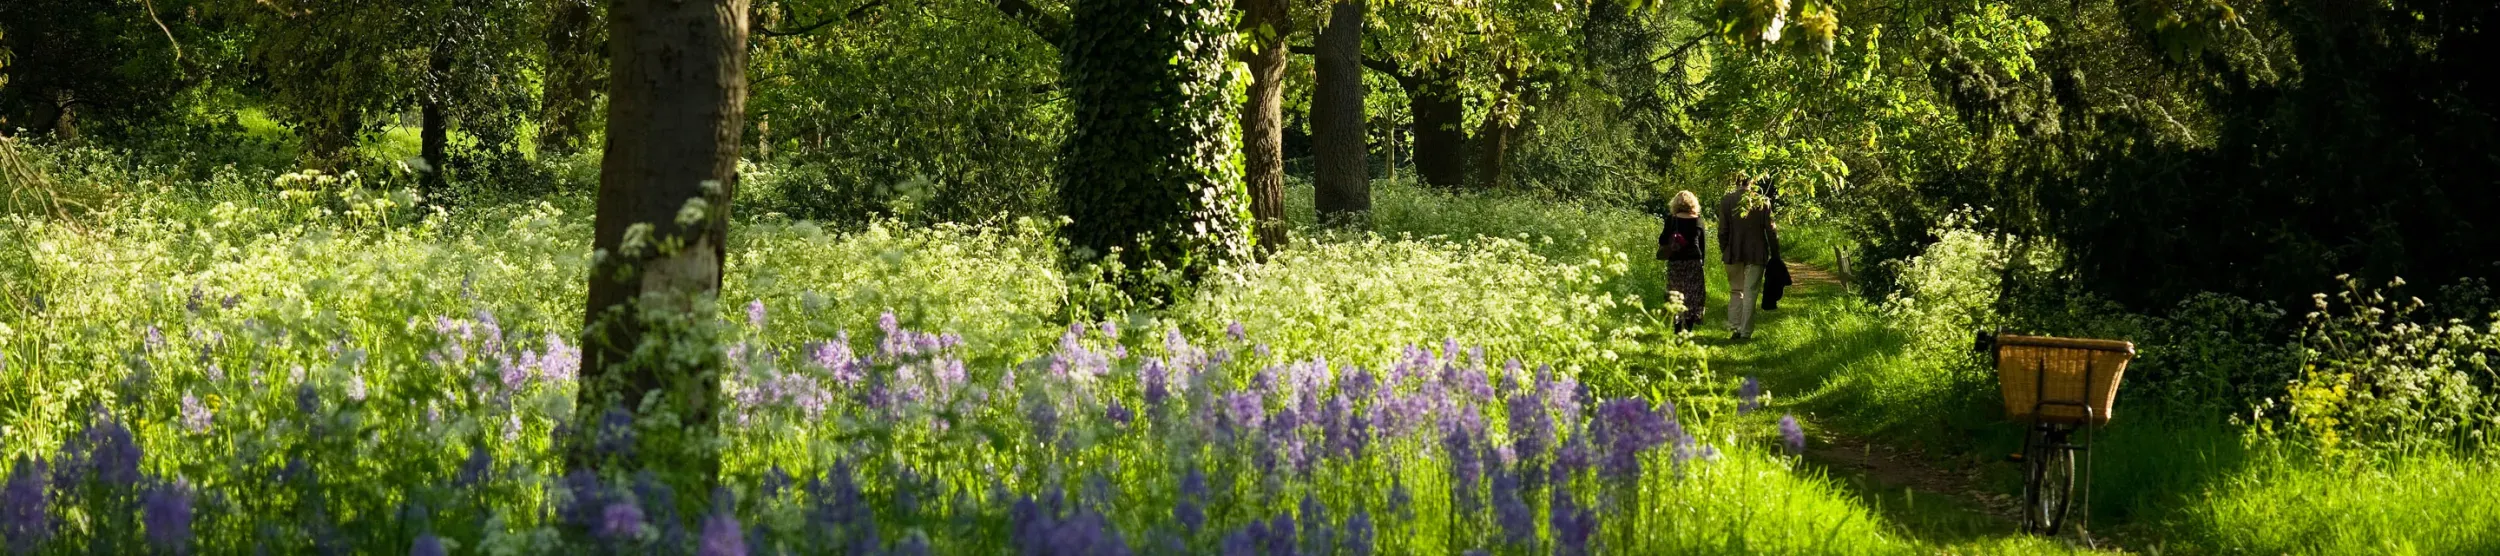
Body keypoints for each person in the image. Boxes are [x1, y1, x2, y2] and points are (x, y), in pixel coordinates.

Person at [1716, 173, 1774, 339]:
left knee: (1736, 291)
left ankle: (1735, 328)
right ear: (1753, 182)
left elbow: (1722, 231)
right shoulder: (1762, 201)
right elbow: (1770, 230)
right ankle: (1745, 332)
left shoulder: (1727, 201)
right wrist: (1775, 252)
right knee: (1750, 293)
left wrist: (1725, 249)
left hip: (1733, 253)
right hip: (1756, 253)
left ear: (1735, 181)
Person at [1657, 190, 1708, 333]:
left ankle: (1677, 326)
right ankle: (1689, 326)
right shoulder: (1698, 220)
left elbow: (1662, 240)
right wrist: (1702, 261)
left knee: (1676, 292)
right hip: (1693, 261)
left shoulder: (1672, 219)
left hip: (1676, 261)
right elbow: (1702, 244)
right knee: (1693, 294)